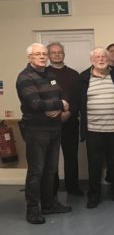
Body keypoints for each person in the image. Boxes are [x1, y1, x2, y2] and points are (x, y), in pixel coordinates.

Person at [16, 43, 72, 224]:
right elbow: (36, 104)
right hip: (36, 131)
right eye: (37, 54)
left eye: (44, 54)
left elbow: (61, 95)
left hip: (55, 129)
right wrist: (59, 105)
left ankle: (49, 205)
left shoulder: (50, 74)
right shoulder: (25, 77)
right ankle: (32, 210)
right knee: (36, 171)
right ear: (29, 57)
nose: (42, 57)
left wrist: (60, 105)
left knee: (51, 170)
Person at [79, 47, 114, 208]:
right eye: (97, 57)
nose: (101, 59)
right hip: (93, 130)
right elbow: (80, 102)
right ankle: (94, 195)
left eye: (103, 57)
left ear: (108, 59)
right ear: (91, 60)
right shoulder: (83, 78)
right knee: (94, 165)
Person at [47, 42, 83, 196]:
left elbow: (80, 98)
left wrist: (70, 112)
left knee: (71, 157)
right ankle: (51, 188)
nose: (57, 54)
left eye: (59, 52)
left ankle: (72, 187)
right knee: (51, 158)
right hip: (49, 124)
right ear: (48, 55)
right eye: (53, 52)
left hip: (71, 121)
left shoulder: (74, 74)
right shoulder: (43, 74)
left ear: (64, 54)